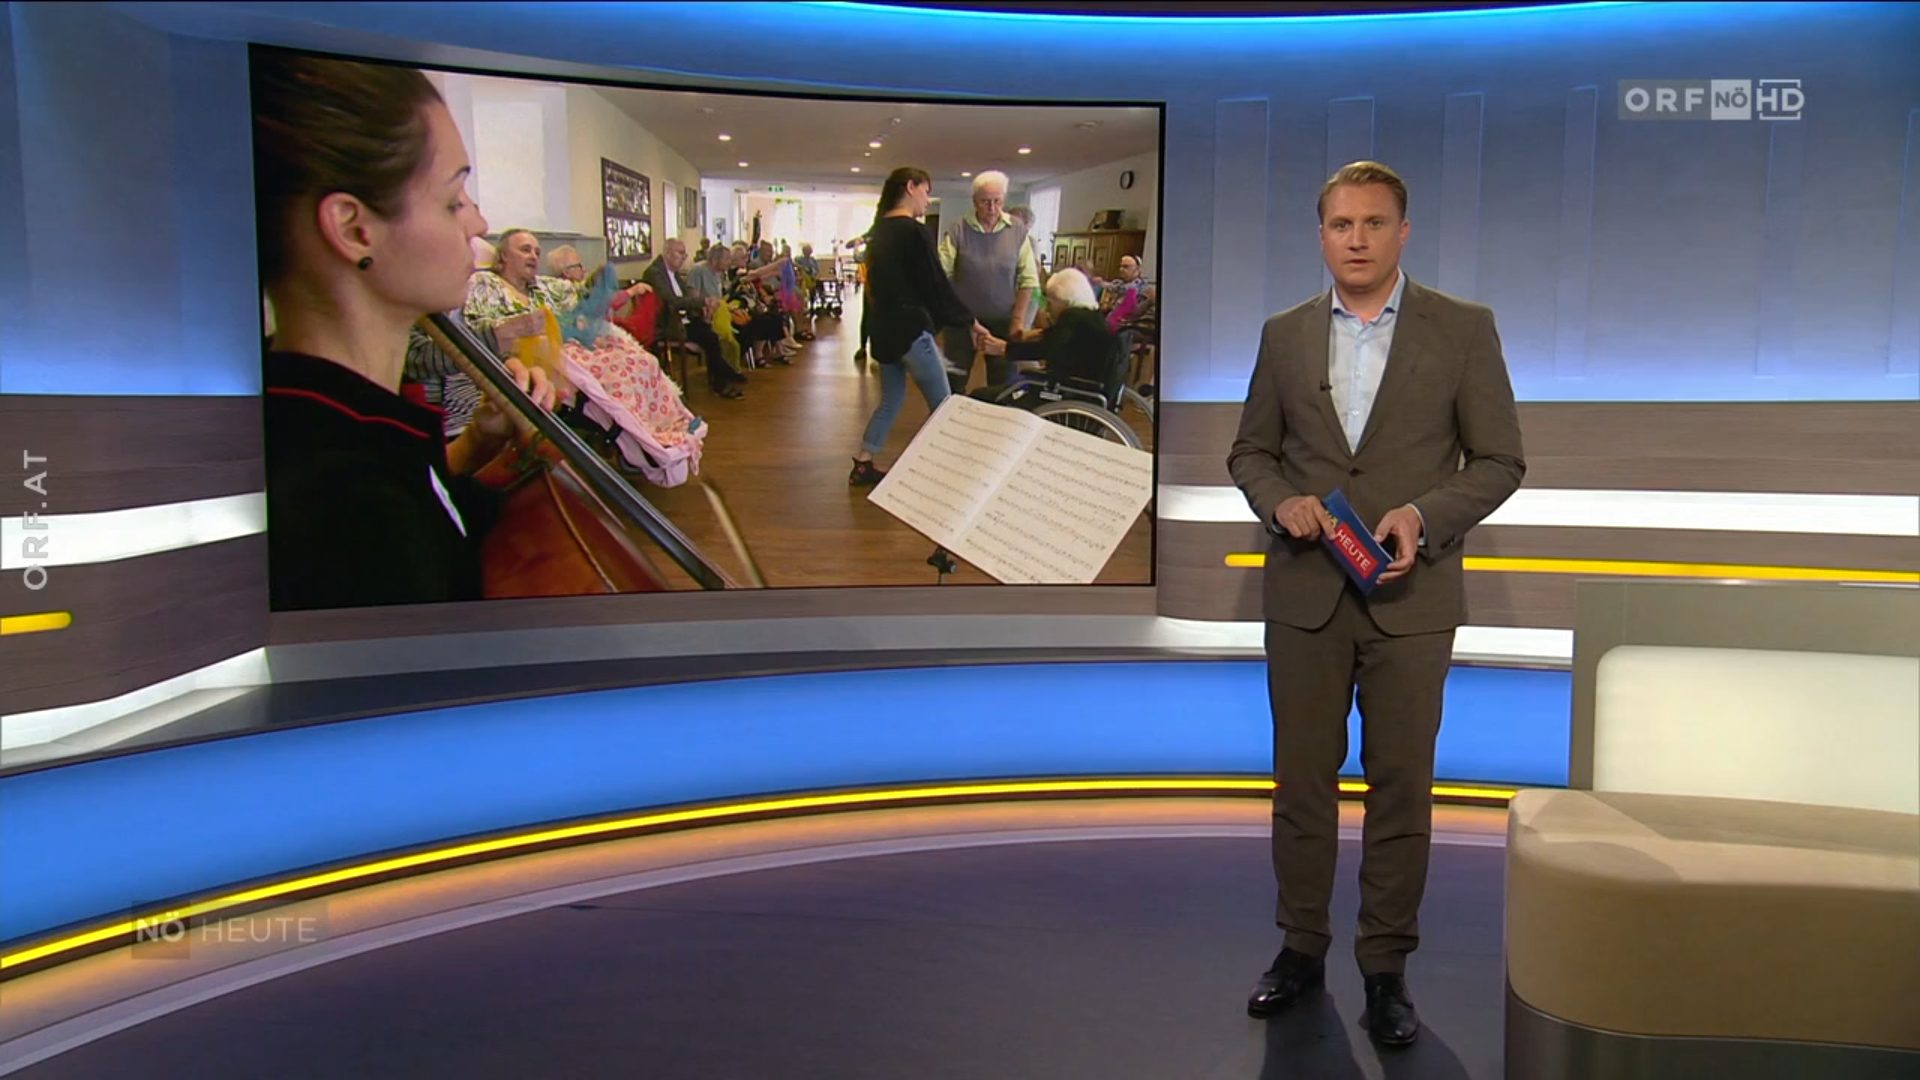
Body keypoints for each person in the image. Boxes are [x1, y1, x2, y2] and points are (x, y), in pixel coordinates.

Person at [1227, 161, 1525, 1047]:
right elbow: (1250, 452)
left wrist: (1422, 517)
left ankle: (1386, 967)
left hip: (1411, 598)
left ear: (1403, 232)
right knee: (1301, 784)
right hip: (1306, 594)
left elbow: (1501, 460)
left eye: (1373, 223)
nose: (1356, 240)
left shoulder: (1463, 329)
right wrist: (1280, 501)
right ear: (1321, 235)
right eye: (1341, 224)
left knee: (1401, 788)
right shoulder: (1284, 335)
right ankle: (1301, 947)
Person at [253, 53, 558, 610]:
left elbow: (429, 503)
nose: (479, 223)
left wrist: (479, 442)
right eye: (453, 200)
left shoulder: (332, 417)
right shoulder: (344, 508)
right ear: (355, 229)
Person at [851, 166, 987, 486]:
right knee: (944, 405)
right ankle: (935, 470)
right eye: (926, 191)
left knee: (891, 400)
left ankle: (864, 462)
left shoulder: (877, 232)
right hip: (910, 332)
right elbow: (935, 284)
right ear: (911, 187)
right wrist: (969, 320)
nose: (928, 200)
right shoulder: (913, 231)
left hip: (884, 333)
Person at [937, 170, 1039, 393]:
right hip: (962, 322)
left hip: (1003, 321)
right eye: (985, 202)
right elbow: (940, 276)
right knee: (953, 382)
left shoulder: (1017, 231)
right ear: (974, 201)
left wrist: (1018, 321)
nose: (992, 208)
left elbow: (1028, 279)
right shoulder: (958, 229)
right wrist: (958, 316)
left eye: (997, 201)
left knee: (1004, 385)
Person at [978, 268, 1123, 407]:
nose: (1047, 309)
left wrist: (1004, 349)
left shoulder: (1072, 317)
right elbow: (1063, 343)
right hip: (1088, 392)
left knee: (982, 395)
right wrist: (1039, 334)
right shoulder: (1092, 317)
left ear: (1064, 300)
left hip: (1066, 394)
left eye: (1050, 303)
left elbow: (1047, 349)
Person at [644, 238, 745, 399]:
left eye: (684, 254)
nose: (684, 257)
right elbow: (672, 301)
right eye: (680, 253)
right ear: (667, 253)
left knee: (711, 334)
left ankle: (723, 376)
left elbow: (685, 298)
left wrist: (702, 307)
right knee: (710, 337)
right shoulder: (655, 273)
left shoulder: (673, 273)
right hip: (668, 323)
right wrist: (703, 302)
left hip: (683, 319)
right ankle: (722, 380)